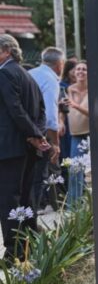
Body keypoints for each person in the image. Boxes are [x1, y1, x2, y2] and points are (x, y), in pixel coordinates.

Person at [0, 34, 49, 259]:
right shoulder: (28, 76)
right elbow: (41, 111)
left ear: (6, 51)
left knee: (9, 199)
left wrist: (33, 135)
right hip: (27, 148)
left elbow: (15, 108)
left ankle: (14, 252)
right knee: (25, 197)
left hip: (10, 148)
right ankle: (30, 244)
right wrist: (37, 135)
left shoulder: (5, 73)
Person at [30, 47, 64, 210]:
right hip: (41, 133)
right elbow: (50, 116)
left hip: (25, 131)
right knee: (42, 176)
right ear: (59, 64)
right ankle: (36, 213)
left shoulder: (31, 73)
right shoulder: (50, 79)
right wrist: (55, 143)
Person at [66, 60, 89, 206]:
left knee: (89, 172)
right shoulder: (70, 89)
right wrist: (61, 120)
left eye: (84, 69)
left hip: (90, 134)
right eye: (78, 69)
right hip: (75, 134)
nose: (80, 71)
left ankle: (88, 203)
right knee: (75, 170)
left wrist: (76, 106)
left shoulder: (93, 89)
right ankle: (73, 206)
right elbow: (65, 109)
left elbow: (95, 114)